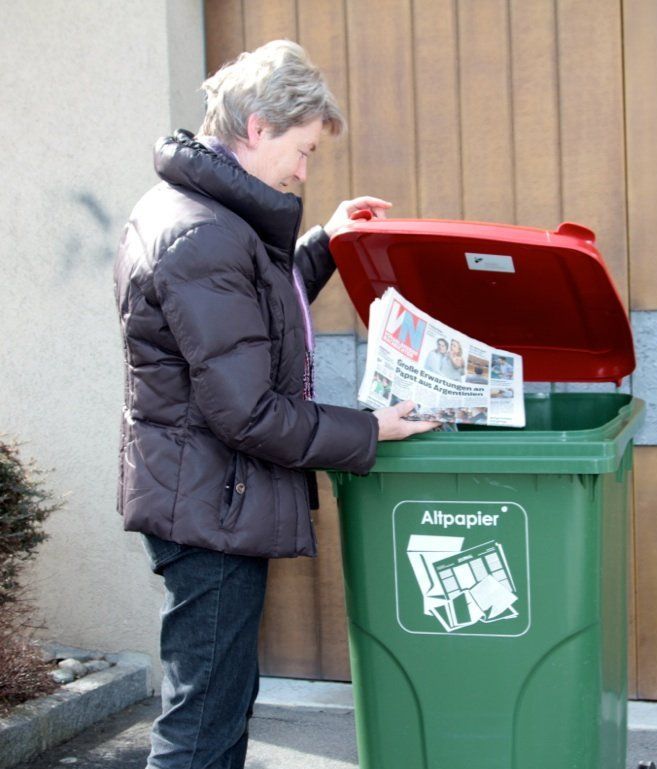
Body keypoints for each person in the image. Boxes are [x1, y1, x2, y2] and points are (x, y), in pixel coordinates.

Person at [113, 40, 438, 769]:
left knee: (219, 702)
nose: (304, 168)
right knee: (202, 720)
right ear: (257, 127)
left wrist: (327, 241)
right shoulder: (202, 233)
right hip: (210, 508)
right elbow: (248, 411)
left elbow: (256, 304)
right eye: (304, 149)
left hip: (206, 496)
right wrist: (369, 430)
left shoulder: (212, 216)